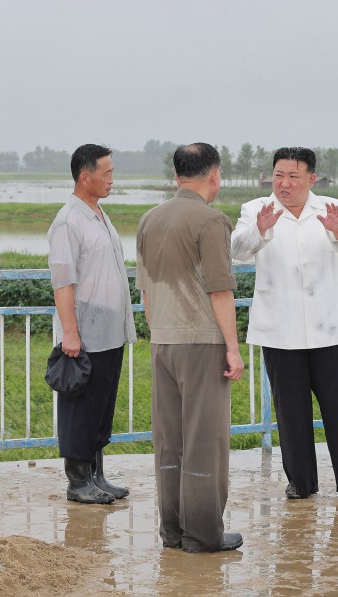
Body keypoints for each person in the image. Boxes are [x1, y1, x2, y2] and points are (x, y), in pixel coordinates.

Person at [231, 147, 338, 500]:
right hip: (281, 329)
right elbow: (238, 250)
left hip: (332, 325)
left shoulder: (331, 207)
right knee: (291, 410)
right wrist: (259, 231)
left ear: (311, 179)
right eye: (279, 175)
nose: (284, 184)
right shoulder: (255, 210)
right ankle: (300, 481)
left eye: (293, 177)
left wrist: (337, 231)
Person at [135, 142, 245, 553]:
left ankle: (173, 531)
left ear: (177, 174)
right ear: (214, 175)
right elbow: (220, 290)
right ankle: (203, 534)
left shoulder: (149, 219)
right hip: (201, 342)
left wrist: (160, 330)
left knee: (170, 438)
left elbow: (144, 290)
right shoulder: (211, 221)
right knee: (205, 438)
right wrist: (232, 349)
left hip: (162, 339)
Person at [47, 143, 136, 505]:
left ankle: (97, 476)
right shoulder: (68, 221)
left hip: (109, 331)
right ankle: (77, 481)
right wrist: (70, 333)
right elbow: (63, 281)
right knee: (80, 410)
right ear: (86, 177)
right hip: (83, 333)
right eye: (107, 172)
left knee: (100, 407)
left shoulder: (97, 213)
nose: (112, 179)